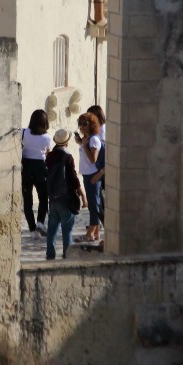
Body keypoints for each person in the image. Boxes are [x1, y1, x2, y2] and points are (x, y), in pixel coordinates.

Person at [45, 129, 86, 260]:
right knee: (67, 229)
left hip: (52, 197)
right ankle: (67, 255)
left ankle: (50, 254)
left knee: (52, 229)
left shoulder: (50, 156)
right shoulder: (68, 157)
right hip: (66, 198)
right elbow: (74, 179)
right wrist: (83, 196)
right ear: (67, 143)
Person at [21, 109, 52, 235]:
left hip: (27, 166)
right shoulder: (47, 138)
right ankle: (40, 222)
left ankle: (32, 229)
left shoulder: (23, 132)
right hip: (40, 166)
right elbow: (48, 155)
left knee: (27, 200)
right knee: (43, 197)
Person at [75, 111, 102, 242]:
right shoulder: (87, 139)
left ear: (91, 125)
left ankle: (90, 233)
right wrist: (81, 143)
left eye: (84, 124)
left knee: (93, 204)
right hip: (87, 174)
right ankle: (96, 233)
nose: (81, 127)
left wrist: (84, 146)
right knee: (93, 204)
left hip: (92, 174)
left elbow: (93, 159)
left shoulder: (94, 140)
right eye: (80, 124)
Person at [86, 105, 106, 224]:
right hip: (101, 167)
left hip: (101, 168)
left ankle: (97, 225)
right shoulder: (102, 128)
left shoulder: (101, 130)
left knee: (99, 200)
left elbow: (98, 152)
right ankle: (96, 226)